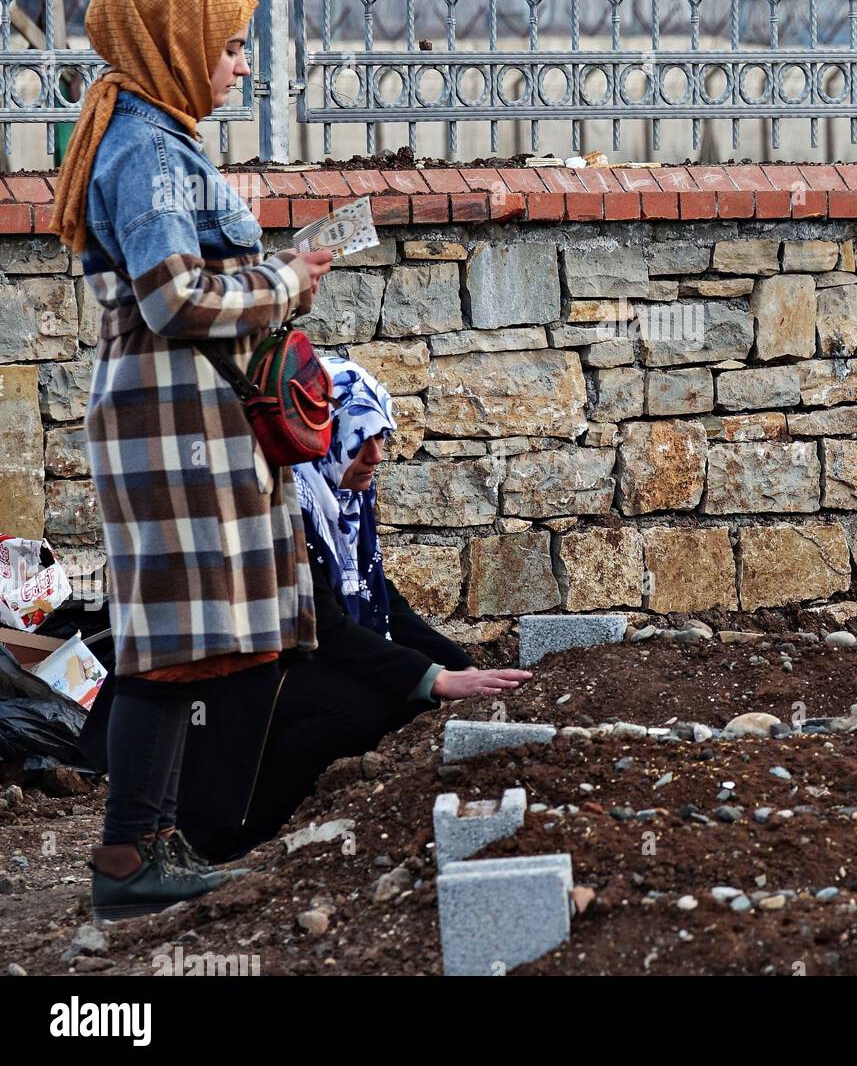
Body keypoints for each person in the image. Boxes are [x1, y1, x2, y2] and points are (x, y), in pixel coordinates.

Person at [50, 0, 335, 921]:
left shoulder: (152, 139)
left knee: (182, 638)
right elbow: (174, 297)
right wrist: (288, 282)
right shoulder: (148, 153)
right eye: (230, 45)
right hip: (170, 424)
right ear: (172, 42)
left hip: (180, 422)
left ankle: (151, 840)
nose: (242, 66)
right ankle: (129, 859)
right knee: (166, 644)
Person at [91, 357, 533, 863]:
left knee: (399, 696)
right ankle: (235, 834)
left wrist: (462, 668)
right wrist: (434, 679)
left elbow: (378, 597)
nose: (375, 454)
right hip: (234, 682)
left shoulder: (339, 499)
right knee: (367, 707)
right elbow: (325, 622)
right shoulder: (284, 502)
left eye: (382, 436)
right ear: (323, 436)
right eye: (359, 436)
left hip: (282, 664)